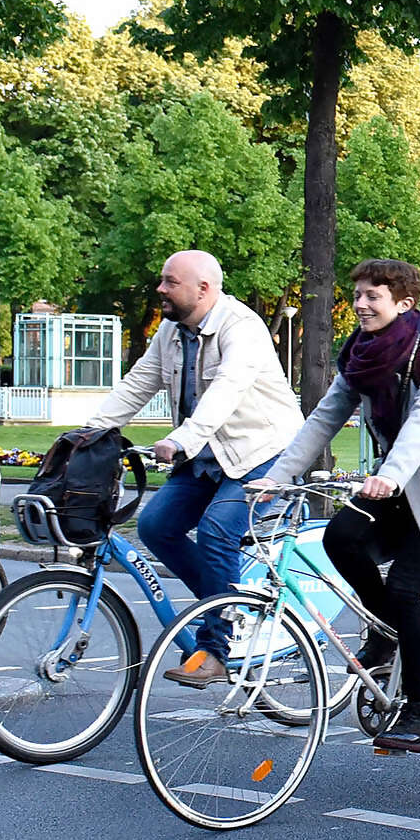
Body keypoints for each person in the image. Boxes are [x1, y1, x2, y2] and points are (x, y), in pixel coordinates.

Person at [250, 259, 420, 753]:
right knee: (339, 538)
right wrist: (277, 476)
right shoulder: (361, 354)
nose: (360, 304)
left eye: (373, 295)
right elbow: (325, 418)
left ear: (404, 303)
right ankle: (388, 635)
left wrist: (388, 476)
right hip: (398, 482)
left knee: (403, 588)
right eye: (357, 294)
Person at [81, 251, 302, 687]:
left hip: (263, 451)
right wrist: (88, 433)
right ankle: (227, 601)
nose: (160, 289)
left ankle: (216, 650)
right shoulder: (171, 331)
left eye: (169, 281)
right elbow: (139, 382)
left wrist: (182, 438)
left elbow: (228, 389)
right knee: (156, 526)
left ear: (203, 289)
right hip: (207, 455)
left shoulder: (242, 328)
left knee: (218, 528)